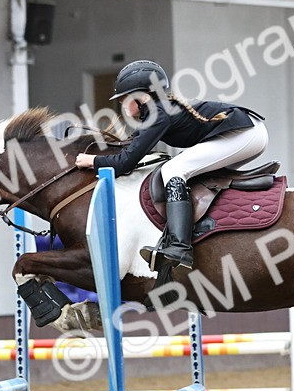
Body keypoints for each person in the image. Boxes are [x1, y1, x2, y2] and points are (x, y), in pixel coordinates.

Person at [74, 60, 268, 271]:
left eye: (123, 98)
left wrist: (92, 160)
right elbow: (131, 147)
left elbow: (127, 161)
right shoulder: (157, 110)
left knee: (173, 170)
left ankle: (179, 246)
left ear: (142, 97)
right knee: (184, 170)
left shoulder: (158, 114)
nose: (120, 103)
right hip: (246, 132)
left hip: (245, 134)